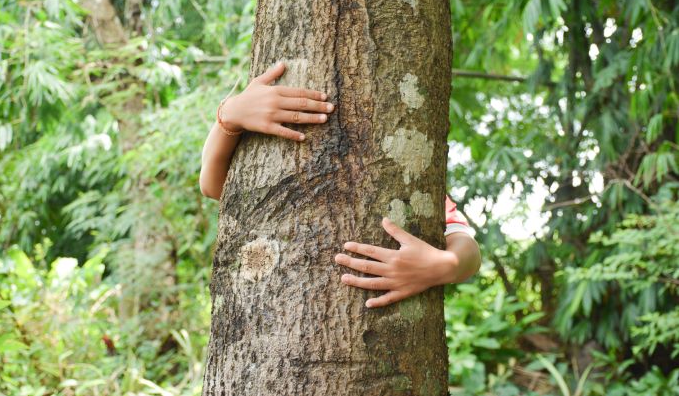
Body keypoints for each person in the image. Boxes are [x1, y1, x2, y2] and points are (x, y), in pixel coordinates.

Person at [199, 61, 481, 308]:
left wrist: (443, 266)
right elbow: (214, 185)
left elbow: (465, 245)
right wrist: (229, 115)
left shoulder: (406, 181)